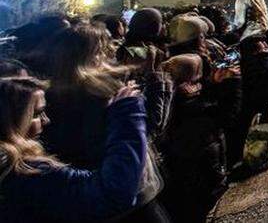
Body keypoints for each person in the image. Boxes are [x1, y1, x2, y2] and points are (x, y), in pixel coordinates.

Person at [39, 24, 169, 222]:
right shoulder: (103, 94)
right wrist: (135, 103)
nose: (112, 51)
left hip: (86, 196)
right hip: (130, 196)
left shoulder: (47, 96)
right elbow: (147, 129)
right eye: (104, 47)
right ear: (93, 54)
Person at [0, 77, 148, 222]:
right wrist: (128, 113)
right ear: (13, 122)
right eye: (37, 114)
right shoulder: (26, 173)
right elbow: (112, 193)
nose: (46, 120)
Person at [159, 54, 241, 223]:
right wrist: (232, 84)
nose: (205, 79)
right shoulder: (188, 105)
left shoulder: (178, 96)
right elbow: (225, 117)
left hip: (196, 174)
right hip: (200, 177)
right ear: (191, 79)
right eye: (200, 75)